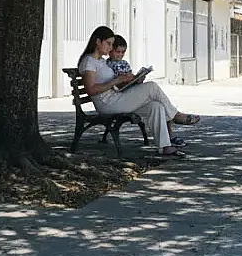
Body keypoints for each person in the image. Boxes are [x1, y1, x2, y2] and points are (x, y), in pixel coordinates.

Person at [78, 26, 201, 157]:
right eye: (108, 43)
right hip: (107, 103)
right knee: (152, 87)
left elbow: (112, 84)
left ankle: (165, 146)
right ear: (98, 41)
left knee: (156, 106)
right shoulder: (89, 61)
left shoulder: (101, 61)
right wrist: (117, 80)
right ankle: (175, 115)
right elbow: (91, 89)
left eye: (111, 44)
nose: (110, 48)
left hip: (116, 97)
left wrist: (130, 80)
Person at [108, 34, 188, 148]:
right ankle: (175, 115)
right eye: (117, 52)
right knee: (153, 87)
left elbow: (130, 80)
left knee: (159, 105)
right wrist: (123, 80)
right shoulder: (108, 66)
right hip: (122, 98)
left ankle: (166, 143)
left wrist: (137, 79)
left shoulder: (124, 63)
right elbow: (113, 85)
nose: (120, 55)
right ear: (110, 51)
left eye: (122, 52)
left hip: (131, 93)